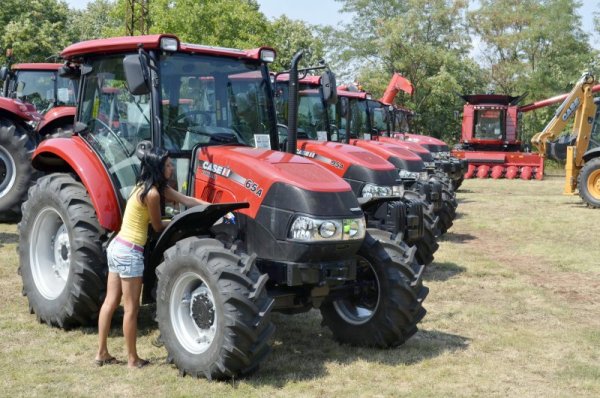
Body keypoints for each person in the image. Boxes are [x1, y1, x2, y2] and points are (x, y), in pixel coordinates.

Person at [95, 146, 207, 369]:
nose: (171, 167)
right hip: (130, 252)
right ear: (157, 167)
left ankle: (102, 353)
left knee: (110, 301)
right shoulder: (153, 194)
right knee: (131, 309)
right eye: (167, 165)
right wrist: (179, 222)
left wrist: (209, 207)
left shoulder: (144, 187)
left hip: (117, 245)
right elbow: (157, 226)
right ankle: (132, 359)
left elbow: (185, 199)